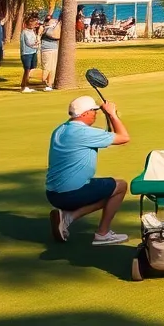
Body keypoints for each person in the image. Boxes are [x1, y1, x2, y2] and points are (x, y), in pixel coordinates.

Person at [46, 95, 131, 245]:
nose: (95, 114)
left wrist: (108, 116)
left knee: (107, 190)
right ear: (84, 114)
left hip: (53, 194)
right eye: (93, 111)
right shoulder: (84, 133)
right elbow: (124, 137)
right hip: (71, 194)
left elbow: (107, 134)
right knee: (120, 186)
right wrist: (112, 114)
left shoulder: (60, 129)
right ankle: (102, 234)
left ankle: (68, 218)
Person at [19, 15, 40, 93]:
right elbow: (29, 43)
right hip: (26, 53)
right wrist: (36, 44)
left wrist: (37, 42)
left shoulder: (32, 31)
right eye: (34, 22)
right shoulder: (25, 32)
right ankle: (24, 86)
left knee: (31, 69)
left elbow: (34, 41)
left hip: (33, 52)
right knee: (27, 70)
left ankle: (25, 84)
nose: (35, 24)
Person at [39, 14, 60, 91]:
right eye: (47, 20)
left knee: (52, 68)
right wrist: (58, 24)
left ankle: (49, 83)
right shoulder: (47, 29)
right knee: (47, 67)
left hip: (53, 49)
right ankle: (45, 82)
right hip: (47, 50)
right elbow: (56, 36)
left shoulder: (48, 28)